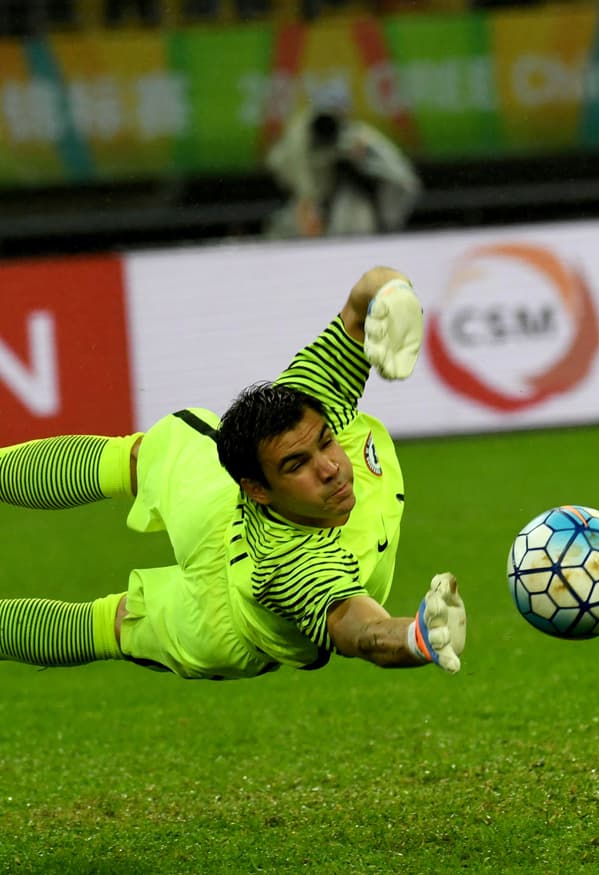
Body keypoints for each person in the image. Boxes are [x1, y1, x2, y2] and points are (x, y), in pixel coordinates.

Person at [0, 266, 466, 680]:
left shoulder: (309, 397)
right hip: (218, 603)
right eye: (297, 465)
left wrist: (392, 293)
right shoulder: (292, 564)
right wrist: (416, 637)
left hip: (216, 566)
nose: (329, 468)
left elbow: (361, 300)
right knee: (116, 603)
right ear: (257, 489)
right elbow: (360, 630)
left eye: (324, 441)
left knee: (113, 610)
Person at [265, 104, 423, 239]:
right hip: (317, 216)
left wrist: (362, 159)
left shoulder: (358, 137)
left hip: (360, 214)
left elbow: (402, 179)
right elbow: (280, 165)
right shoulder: (300, 141)